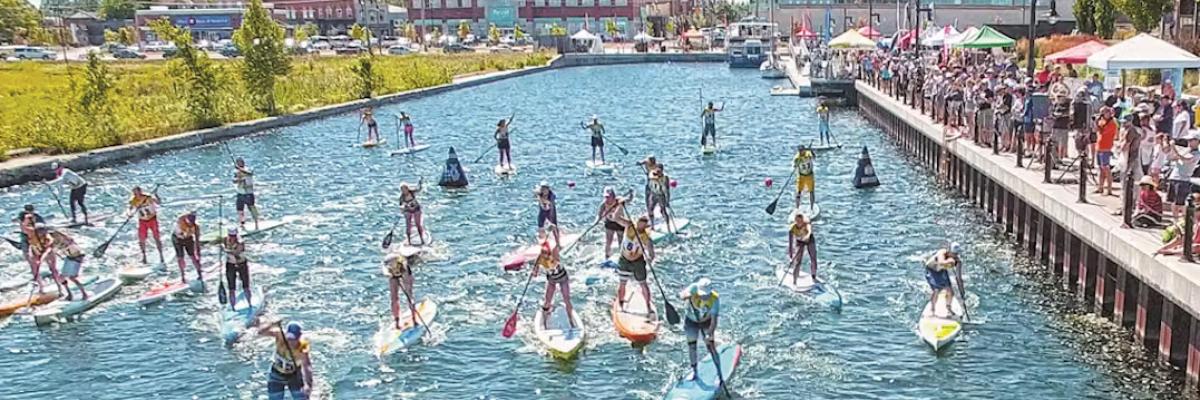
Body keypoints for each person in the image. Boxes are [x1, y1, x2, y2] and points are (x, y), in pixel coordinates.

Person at [257, 320, 314, 400]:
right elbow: (260, 332)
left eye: (294, 339)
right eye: (289, 338)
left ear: (299, 337)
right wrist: (271, 324)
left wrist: (308, 385)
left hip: (294, 376)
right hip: (276, 375)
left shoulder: (303, 347)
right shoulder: (280, 335)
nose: (291, 342)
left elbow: (307, 366)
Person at [531, 229, 576, 329]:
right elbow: (535, 272)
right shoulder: (540, 259)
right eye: (544, 253)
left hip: (563, 278)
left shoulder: (554, 253)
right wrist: (534, 272)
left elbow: (557, 243)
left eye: (547, 253)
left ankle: (571, 321)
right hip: (551, 280)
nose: (546, 255)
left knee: (566, 299)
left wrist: (553, 229)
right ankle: (545, 322)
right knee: (547, 301)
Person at [678, 277, 720, 382]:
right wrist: (685, 296)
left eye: (706, 295)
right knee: (692, 346)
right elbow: (681, 295)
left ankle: (719, 374)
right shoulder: (693, 288)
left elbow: (714, 321)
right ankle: (695, 371)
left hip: (706, 323)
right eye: (703, 295)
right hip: (691, 321)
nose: (704, 297)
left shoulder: (715, 299)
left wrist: (709, 334)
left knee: (711, 347)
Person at [615, 213, 655, 316]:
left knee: (643, 284)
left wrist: (650, 259)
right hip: (624, 260)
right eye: (639, 223)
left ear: (645, 226)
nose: (640, 226)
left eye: (643, 224)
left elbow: (651, 253)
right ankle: (621, 303)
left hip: (638, 261)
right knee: (622, 283)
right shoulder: (629, 226)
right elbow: (616, 217)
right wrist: (620, 204)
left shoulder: (647, 238)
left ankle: (648, 306)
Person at [1163, 132, 1200, 219]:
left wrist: (1173, 147)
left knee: (1181, 203)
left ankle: (1184, 222)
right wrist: (1168, 145)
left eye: (1191, 140)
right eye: (1189, 140)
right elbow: (1171, 157)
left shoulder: (1197, 154)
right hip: (1174, 177)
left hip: (1183, 180)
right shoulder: (1186, 150)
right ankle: (1175, 221)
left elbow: (1185, 159)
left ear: (1197, 141)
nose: (1189, 142)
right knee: (1173, 202)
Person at [923, 243, 962, 318]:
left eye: (956, 253)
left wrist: (962, 290)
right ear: (949, 251)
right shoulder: (942, 252)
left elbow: (959, 277)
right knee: (936, 290)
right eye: (953, 253)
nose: (955, 255)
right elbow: (941, 262)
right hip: (932, 270)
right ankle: (932, 309)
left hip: (942, 270)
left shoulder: (958, 261)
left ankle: (948, 308)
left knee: (950, 291)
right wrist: (949, 261)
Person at [47, 228, 87, 300]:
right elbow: (53, 249)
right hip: (69, 258)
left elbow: (72, 246)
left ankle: (84, 294)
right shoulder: (55, 243)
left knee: (72, 278)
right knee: (61, 278)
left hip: (76, 258)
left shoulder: (67, 240)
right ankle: (69, 294)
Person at [128, 186, 164, 264]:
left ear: (140, 192)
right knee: (142, 239)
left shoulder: (148, 198)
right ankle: (144, 257)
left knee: (156, 237)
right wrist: (129, 214)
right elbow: (130, 209)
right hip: (142, 221)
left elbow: (159, 202)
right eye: (134, 193)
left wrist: (156, 195)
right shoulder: (133, 201)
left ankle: (161, 256)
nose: (136, 194)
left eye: (137, 192)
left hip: (152, 220)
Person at [382, 252, 418, 330]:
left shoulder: (404, 265)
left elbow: (406, 274)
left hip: (404, 272)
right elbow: (385, 272)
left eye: (391, 264)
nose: (389, 266)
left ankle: (414, 320)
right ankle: (397, 322)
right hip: (392, 274)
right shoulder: (386, 265)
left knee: (409, 296)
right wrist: (391, 274)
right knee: (394, 299)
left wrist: (400, 275)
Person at [27, 224, 63, 295]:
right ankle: (41, 288)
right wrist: (32, 256)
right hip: (38, 252)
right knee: (35, 269)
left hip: (49, 253)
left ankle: (60, 288)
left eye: (43, 231)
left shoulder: (48, 238)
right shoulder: (33, 237)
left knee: (53, 269)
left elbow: (48, 250)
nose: (42, 233)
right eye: (40, 231)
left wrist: (41, 259)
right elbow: (31, 247)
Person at [171, 211, 203, 284]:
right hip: (177, 239)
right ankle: (183, 276)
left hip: (188, 239)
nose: (190, 223)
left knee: (193, 257)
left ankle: (199, 273)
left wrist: (198, 251)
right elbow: (182, 215)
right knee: (180, 258)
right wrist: (190, 213)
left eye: (192, 222)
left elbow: (197, 241)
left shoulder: (196, 227)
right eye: (189, 221)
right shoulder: (181, 220)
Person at [224, 228, 251, 311]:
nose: (232, 238)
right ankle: (233, 307)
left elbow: (236, 252)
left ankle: (249, 304)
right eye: (231, 236)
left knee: (245, 286)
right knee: (231, 288)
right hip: (230, 265)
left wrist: (224, 250)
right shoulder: (225, 240)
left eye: (234, 236)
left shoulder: (240, 242)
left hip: (241, 264)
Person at [787, 211, 818, 285]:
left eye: (800, 220)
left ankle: (813, 276)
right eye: (797, 221)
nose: (799, 222)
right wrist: (791, 255)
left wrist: (806, 236)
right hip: (799, 242)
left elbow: (809, 231)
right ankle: (794, 281)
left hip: (809, 240)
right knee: (797, 262)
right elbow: (790, 243)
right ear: (795, 220)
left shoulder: (807, 224)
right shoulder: (792, 228)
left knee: (813, 258)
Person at [597, 187, 627, 259]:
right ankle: (607, 257)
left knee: (621, 241)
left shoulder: (618, 200)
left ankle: (622, 257)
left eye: (608, 196)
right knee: (608, 241)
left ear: (613, 195)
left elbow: (628, 200)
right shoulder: (603, 204)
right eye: (605, 197)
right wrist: (597, 220)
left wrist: (629, 197)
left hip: (619, 223)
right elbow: (599, 215)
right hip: (609, 223)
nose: (607, 198)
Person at [1095, 107, 1118, 196]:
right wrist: (1096, 122)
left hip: (1106, 148)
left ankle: (1109, 189)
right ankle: (1100, 187)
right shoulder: (1101, 121)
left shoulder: (1112, 123)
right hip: (1099, 147)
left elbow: (1103, 131)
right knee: (1100, 168)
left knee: (1106, 168)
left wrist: (1098, 125)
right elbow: (1097, 130)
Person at [234, 158, 261, 230]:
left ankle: (256, 223)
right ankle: (242, 224)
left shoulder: (248, 169)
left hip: (248, 193)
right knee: (240, 210)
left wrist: (240, 169)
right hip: (240, 193)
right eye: (238, 163)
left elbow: (250, 173)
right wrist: (238, 179)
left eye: (240, 162)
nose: (239, 164)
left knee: (251, 208)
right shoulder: (237, 172)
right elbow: (234, 180)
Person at [399, 179, 427, 246]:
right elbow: (401, 206)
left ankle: (422, 239)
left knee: (418, 224)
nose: (403, 190)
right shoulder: (402, 197)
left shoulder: (412, 192)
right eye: (402, 189)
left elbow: (419, 189)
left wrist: (420, 184)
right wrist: (403, 208)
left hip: (416, 209)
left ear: (407, 188)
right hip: (408, 210)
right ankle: (409, 241)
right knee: (408, 226)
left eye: (404, 189)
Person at [646, 163, 673, 231]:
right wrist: (657, 177)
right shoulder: (652, 173)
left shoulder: (665, 177)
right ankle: (652, 226)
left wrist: (667, 200)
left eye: (659, 171)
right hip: (653, 194)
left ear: (662, 170)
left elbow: (667, 190)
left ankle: (668, 227)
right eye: (656, 170)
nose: (657, 172)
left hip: (661, 195)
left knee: (663, 211)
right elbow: (651, 177)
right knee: (650, 210)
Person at [793, 145, 816, 210]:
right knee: (798, 192)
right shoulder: (797, 157)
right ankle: (797, 208)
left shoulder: (808, 154)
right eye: (799, 151)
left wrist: (812, 151)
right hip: (801, 176)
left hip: (809, 175)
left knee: (811, 191)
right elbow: (795, 166)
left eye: (801, 151)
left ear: (804, 150)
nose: (800, 152)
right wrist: (796, 163)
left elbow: (814, 158)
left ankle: (812, 208)